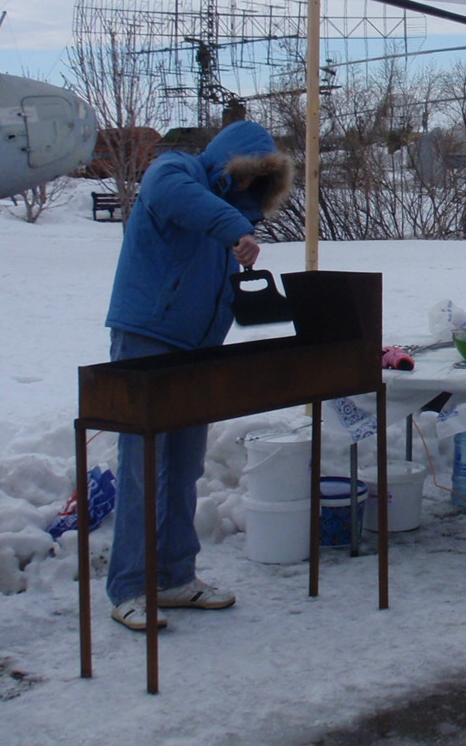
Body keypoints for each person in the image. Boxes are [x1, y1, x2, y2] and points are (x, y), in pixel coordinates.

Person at [104, 120, 294, 631]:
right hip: (147, 336)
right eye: (247, 176)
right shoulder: (177, 171)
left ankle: (172, 577)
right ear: (228, 165)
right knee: (145, 467)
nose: (251, 190)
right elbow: (167, 192)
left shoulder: (231, 215)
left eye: (261, 183)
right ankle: (127, 587)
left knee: (184, 467)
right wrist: (234, 228)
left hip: (198, 347)